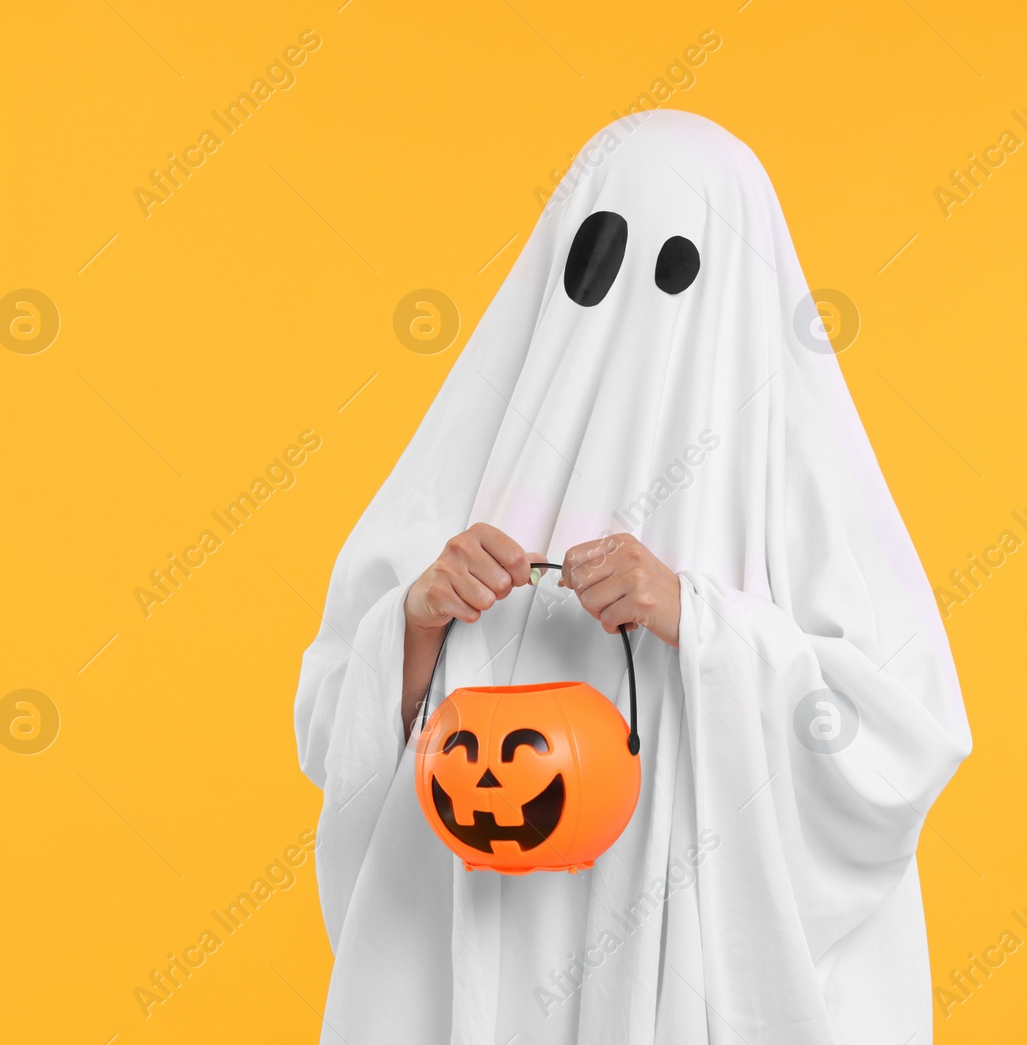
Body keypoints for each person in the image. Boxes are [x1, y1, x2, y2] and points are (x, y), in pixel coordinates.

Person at [292, 110, 971, 1045]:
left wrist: (701, 621)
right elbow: (334, 724)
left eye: (677, 265)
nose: (629, 309)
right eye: (597, 259)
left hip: (680, 941)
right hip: (482, 936)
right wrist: (414, 619)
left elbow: (901, 737)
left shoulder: (802, 477)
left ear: (738, 287)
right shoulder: (466, 465)